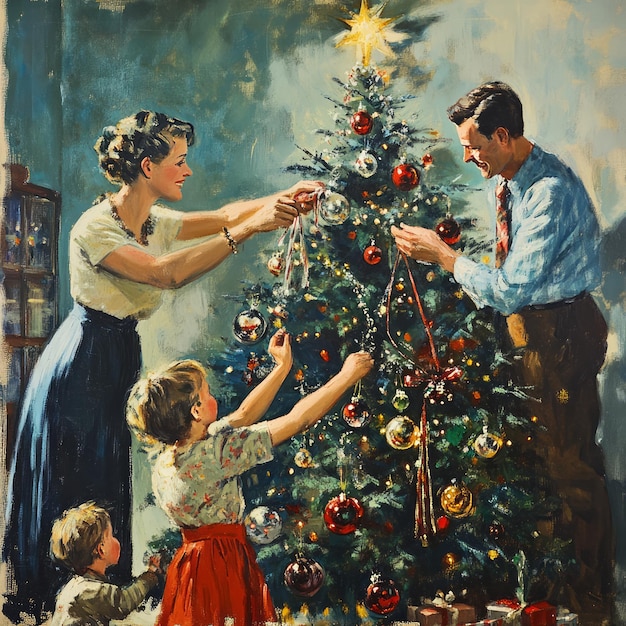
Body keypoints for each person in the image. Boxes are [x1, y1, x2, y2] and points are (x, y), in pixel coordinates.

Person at [3, 109, 323, 622]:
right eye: (179, 161)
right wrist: (252, 229)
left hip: (114, 356)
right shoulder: (95, 228)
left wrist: (278, 204)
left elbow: (222, 215)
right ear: (148, 166)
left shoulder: (152, 221)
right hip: (80, 366)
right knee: (78, 477)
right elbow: (165, 275)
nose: (188, 171)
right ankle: (56, 605)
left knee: (106, 475)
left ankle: (98, 604)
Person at [391, 82, 613, 615]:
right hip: (526, 330)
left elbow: (512, 287)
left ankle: (591, 598)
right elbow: (510, 284)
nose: (469, 158)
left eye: (476, 147)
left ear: (505, 136)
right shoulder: (511, 181)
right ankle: (547, 591)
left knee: (568, 465)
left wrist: (445, 258)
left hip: (558, 333)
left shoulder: (550, 192)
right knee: (533, 463)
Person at [125, 329, 373, 626]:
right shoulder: (217, 453)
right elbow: (298, 420)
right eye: (207, 394)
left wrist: (281, 368)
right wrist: (347, 375)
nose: (213, 397)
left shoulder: (172, 457)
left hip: (190, 565)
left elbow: (244, 414)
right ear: (196, 411)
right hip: (222, 563)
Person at [49, 501, 162, 625]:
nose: (116, 540)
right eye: (111, 536)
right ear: (101, 549)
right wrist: (150, 575)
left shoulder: (74, 587)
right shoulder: (91, 591)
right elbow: (124, 602)